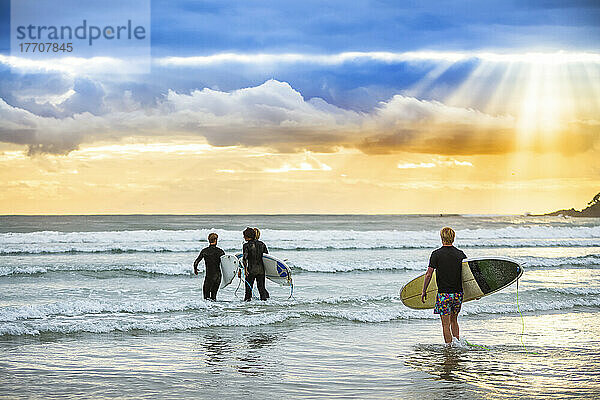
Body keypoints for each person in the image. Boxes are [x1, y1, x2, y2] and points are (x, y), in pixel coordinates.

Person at [421, 227, 467, 345]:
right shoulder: (460, 254)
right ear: (453, 238)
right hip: (458, 294)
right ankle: (457, 344)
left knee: (445, 324)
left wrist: (424, 291)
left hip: (443, 295)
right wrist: (476, 292)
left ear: (442, 238)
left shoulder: (436, 254)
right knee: (454, 321)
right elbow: (467, 276)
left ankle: (449, 348)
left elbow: (428, 274)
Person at [193, 232, 225, 301]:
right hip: (218, 277)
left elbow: (196, 262)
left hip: (209, 276)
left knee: (206, 298)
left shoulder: (205, 251)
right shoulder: (220, 252)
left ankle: (208, 311)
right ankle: (215, 310)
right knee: (214, 297)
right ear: (216, 240)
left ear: (208, 240)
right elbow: (225, 264)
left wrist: (195, 269)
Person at [242, 227, 269, 301]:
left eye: (244, 236)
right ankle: (264, 307)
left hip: (251, 270)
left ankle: (247, 307)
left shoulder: (246, 245)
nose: (243, 237)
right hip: (261, 270)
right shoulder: (262, 244)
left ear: (248, 236)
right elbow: (267, 257)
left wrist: (245, 269)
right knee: (261, 289)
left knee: (248, 290)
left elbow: (245, 258)